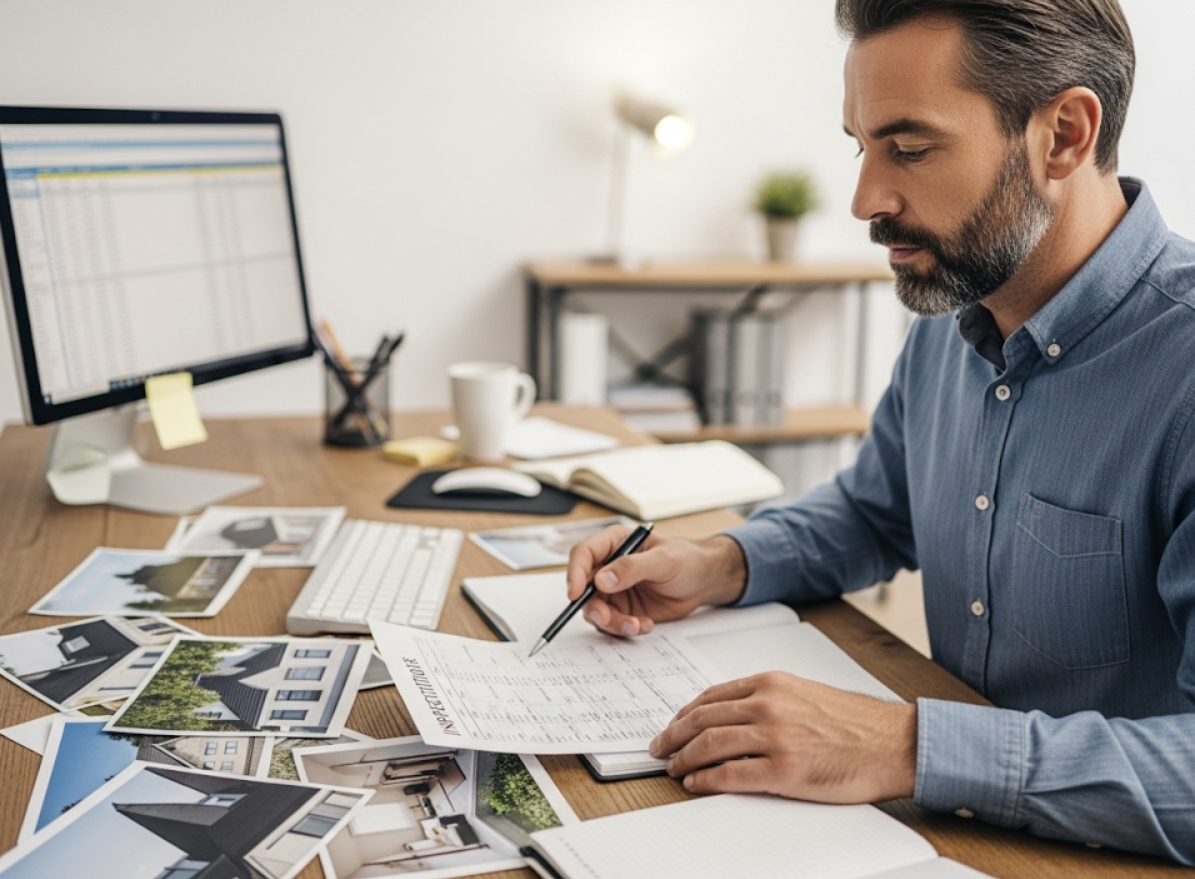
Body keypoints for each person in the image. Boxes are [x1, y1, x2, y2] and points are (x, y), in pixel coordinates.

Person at [566, 0, 1195, 863]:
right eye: (859, 147)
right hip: (950, 838)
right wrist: (719, 562)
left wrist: (905, 745)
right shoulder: (954, 314)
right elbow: (875, 511)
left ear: (1063, 135)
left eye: (908, 149)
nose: (866, 199)